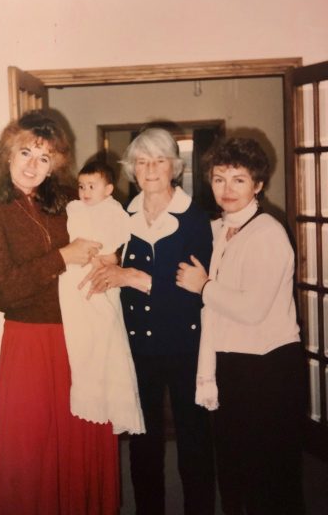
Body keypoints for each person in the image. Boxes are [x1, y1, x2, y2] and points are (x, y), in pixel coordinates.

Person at [0, 111, 120, 515]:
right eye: (26, 153)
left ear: (56, 165)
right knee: (33, 448)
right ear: (6, 155)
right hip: (31, 341)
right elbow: (7, 287)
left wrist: (111, 261)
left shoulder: (69, 200)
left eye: (45, 157)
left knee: (82, 434)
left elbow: (109, 228)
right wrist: (63, 257)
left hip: (81, 334)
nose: (34, 165)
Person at [85, 127, 216, 515]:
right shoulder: (119, 213)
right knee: (142, 438)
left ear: (174, 166)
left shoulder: (194, 218)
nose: (151, 169)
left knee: (192, 438)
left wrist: (133, 277)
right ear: (132, 170)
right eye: (142, 162)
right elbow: (107, 262)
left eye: (159, 160)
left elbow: (193, 286)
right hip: (136, 344)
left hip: (183, 343)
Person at [176, 136, 305, 515]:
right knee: (233, 471)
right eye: (219, 179)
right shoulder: (217, 230)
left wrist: (204, 287)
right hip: (230, 364)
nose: (227, 189)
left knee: (270, 476)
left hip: (267, 368)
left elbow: (251, 310)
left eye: (239, 179)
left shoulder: (268, 233)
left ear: (258, 185)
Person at [59, 159, 145, 435]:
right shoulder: (74, 207)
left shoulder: (113, 211)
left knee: (105, 334)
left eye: (92, 186)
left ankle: (110, 396)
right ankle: (87, 391)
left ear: (108, 189)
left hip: (100, 275)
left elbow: (114, 248)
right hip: (73, 276)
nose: (84, 192)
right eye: (81, 186)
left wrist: (102, 258)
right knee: (79, 338)